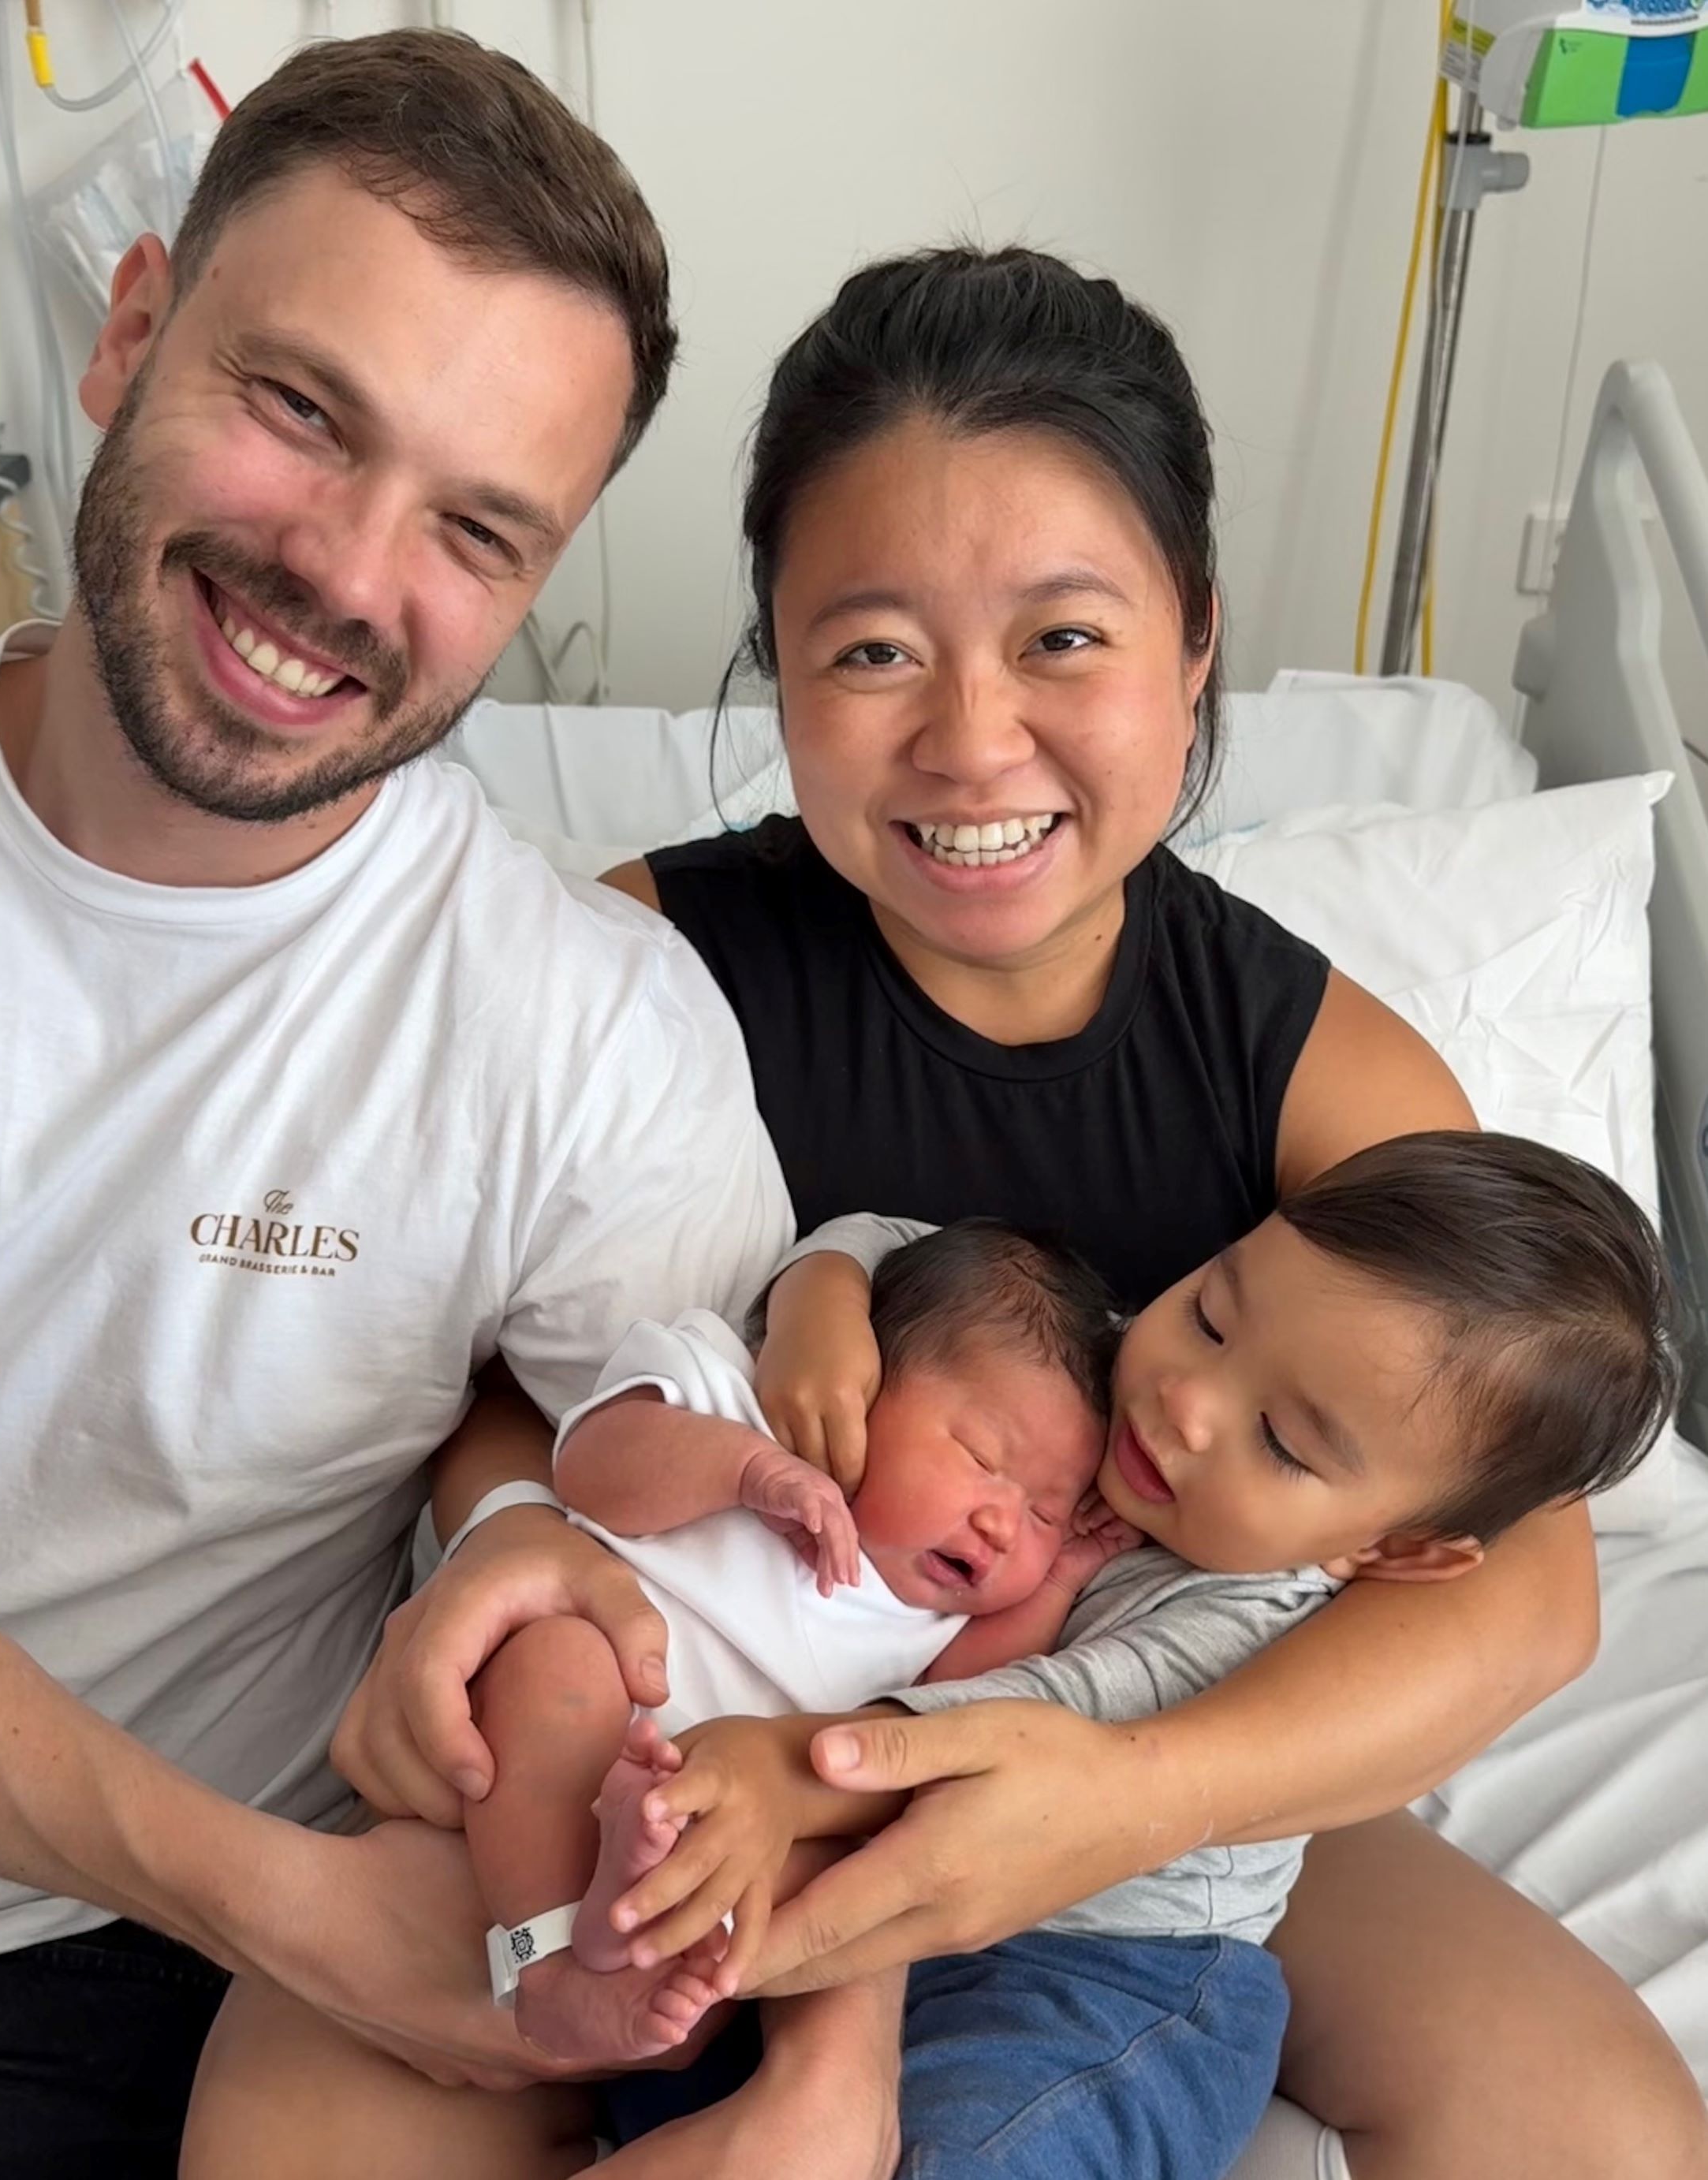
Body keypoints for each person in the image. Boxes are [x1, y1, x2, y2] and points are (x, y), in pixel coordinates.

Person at [334, 244, 1708, 2178]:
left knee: (1600, 2131)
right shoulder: (636, 964)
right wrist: (495, 1541)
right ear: (781, 664)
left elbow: (1530, 1589)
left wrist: (1117, 1795)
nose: (973, 744)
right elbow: (478, 1368)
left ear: (1195, 640)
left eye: (1064, 638)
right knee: (294, 2112)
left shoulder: (1309, 1064)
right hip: (667, 1720)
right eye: (874, 649)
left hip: (1130, 1785)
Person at [0, 32, 796, 2179]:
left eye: (476, 530)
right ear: (132, 332)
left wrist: (825, 2050)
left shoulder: (583, 1038)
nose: (342, 567)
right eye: (302, 410)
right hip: (212, 1881)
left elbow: (761, 1605)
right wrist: (270, 1893)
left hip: (34, 1978)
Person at [592, 1130, 1679, 2178]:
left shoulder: (1242, 1623)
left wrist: (755, 1764)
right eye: (1210, 1314)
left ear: (1387, 1548)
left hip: (1109, 1977)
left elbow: (985, 1737)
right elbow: (910, 1246)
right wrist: (822, 1299)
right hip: (931, 1912)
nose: (1187, 1404)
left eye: (1283, 1442)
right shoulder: (1114, 1367)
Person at [467, 1219, 1132, 2069]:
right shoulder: (731, 1395)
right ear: (858, 1386)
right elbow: (593, 1466)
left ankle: (627, 1940)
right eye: (979, 1455)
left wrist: (1062, 1572)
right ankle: (550, 1965)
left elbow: (964, 1698)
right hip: (596, 1691)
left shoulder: (936, 1609)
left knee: (828, 1855)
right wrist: (743, 1469)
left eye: (1044, 1509)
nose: (1003, 1522)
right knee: (550, 1660)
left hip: (733, 1800)